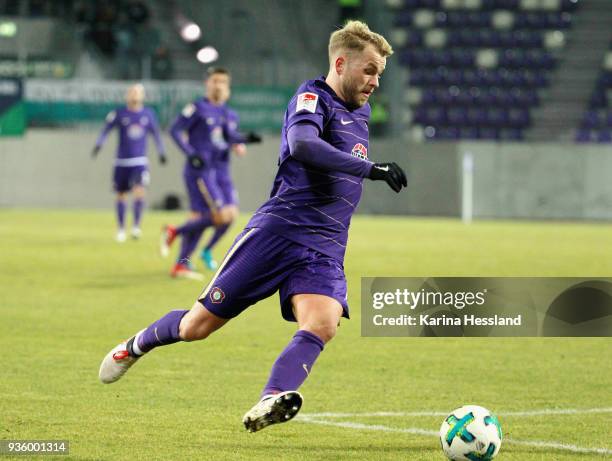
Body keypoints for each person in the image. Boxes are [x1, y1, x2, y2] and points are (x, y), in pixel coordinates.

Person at [99, 20, 406, 432]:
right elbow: (303, 145)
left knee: (323, 323)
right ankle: (135, 345)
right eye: (369, 71)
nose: (374, 82)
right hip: (278, 232)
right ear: (340, 62)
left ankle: (270, 399)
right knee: (196, 327)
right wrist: (370, 168)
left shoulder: (362, 112)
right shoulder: (312, 97)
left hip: (326, 245)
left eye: (379, 75)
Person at [161, 67, 261, 279]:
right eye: (215, 81)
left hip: (221, 172)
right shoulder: (197, 108)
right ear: (207, 83)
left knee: (227, 215)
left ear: (228, 86)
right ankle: (178, 244)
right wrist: (190, 153)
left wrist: (244, 140)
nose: (218, 85)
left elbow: (227, 137)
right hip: (202, 171)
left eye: (223, 82)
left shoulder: (228, 113)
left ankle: (183, 256)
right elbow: (174, 130)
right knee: (217, 216)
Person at [93, 83, 167, 242]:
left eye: (137, 92)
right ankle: (120, 229)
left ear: (142, 96)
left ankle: (136, 227)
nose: (134, 95)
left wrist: (161, 151)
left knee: (140, 191)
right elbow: (106, 129)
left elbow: (156, 134)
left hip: (139, 161)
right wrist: (99, 144)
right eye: (132, 92)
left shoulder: (148, 114)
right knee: (121, 194)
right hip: (121, 161)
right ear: (127, 95)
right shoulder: (119, 113)